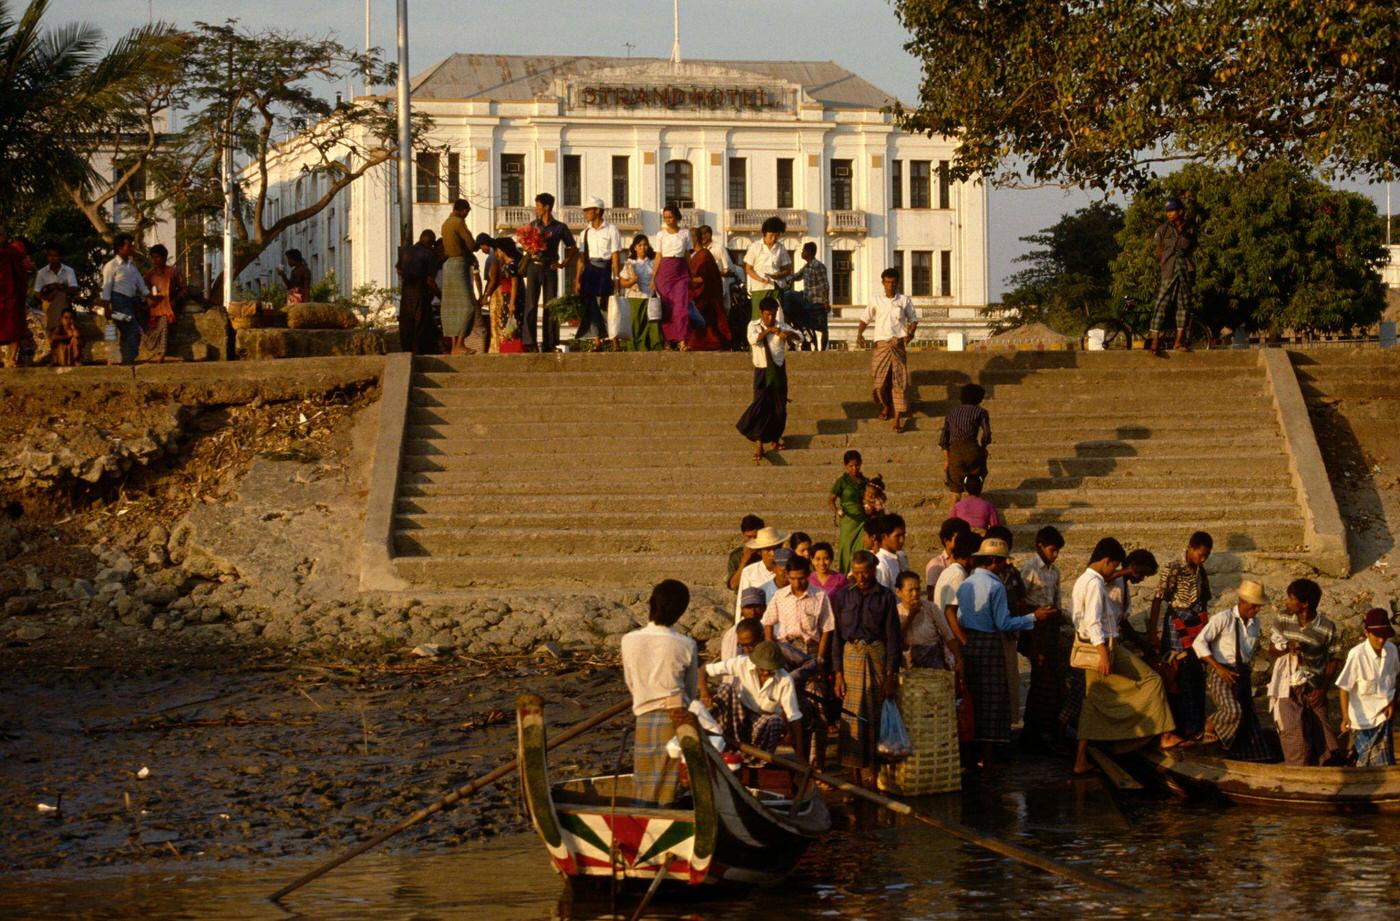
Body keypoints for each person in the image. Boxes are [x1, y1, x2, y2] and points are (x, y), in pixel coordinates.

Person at [1070, 538, 1182, 774]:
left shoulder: (1087, 580)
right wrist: (1103, 653)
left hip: (1098, 645)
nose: (1115, 571)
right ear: (1106, 561)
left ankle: (1083, 758)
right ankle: (1164, 735)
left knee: (1095, 699)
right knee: (1151, 680)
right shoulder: (1094, 583)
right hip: (1102, 646)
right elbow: (1092, 621)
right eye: (1114, 566)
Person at [956, 537, 1052, 768]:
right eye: (1002, 562)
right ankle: (987, 756)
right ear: (994, 561)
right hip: (989, 642)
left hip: (969, 642)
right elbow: (1003, 623)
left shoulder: (967, 583)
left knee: (974, 697)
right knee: (992, 700)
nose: (1005, 566)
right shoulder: (995, 586)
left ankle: (972, 753)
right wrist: (1033, 617)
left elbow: (959, 616)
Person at [621, 579, 700, 806]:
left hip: (644, 716)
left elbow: (631, 682)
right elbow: (691, 690)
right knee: (669, 780)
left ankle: (645, 819)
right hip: (675, 718)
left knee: (644, 780)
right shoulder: (685, 644)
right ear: (681, 611)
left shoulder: (629, 640)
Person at [832, 550, 901, 787]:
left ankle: (874, 773)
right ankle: (854, 776)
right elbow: (837, 638)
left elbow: (894, 638)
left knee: (875, 712)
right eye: (857, 573)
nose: (861, 578)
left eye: (866, 573)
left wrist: (891, 674)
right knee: (852, 714)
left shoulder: (886, 597)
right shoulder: (842, 597)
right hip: (851, 655)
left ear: (874, 570)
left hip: (877, 656)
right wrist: (838, 674)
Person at [762, 553, 833, 763]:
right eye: (792, 578)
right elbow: (768, 622)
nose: (797, 582)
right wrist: (771, 653)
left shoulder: (820, 596)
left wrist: (819, 659)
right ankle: (794, 761)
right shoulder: (780, 596)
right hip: (785, 652)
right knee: (787, 706)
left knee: (818, 707)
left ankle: (817, 763)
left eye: (801, 578)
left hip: (811, 653)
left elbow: (827, 629)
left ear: (808, 575)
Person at [1192, 580, 1271, 761]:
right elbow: (1199, 643)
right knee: (1232, 710)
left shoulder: (1255, 623)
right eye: (1255, 605)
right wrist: (1218, 669)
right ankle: (1209, 728)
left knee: (1248, 718)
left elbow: (1248, 652)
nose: (1257, 610)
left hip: (1241, 673)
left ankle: (1240, 754)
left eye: (1259, 606)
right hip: (1220, 671)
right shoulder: (1223, 618)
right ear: (1242, 601)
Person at [1148, 531, 1214, 741]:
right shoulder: (1173, 567)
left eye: (1206, 556)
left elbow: (1204, 600)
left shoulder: (1200, 570)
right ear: (1191, 548)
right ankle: (1177, 727)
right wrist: (1153, 632)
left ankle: (1195, 725)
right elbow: (1159, 599)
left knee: (1195, 672)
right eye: (1200, 554)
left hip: (1197, 625)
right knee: (1176, 673)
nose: (1202, 559)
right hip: (1176, 625)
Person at [1267, 579, 1342, 766]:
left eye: (1291, 599)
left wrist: (1323, 690)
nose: (1287, 602)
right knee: (1295, 736)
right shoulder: (1283, 619)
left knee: (1327, 738)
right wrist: (1286, 647)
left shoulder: (1326, 627)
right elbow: (1271, 648)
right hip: (1288, 687)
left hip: (1314, 688)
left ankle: (1321, 772)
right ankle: (1297, 773)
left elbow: (1334, 658)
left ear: (1305, 604)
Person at [700, 640, 805, 758]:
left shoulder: (785, 680)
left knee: (775, 721)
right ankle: (723, 742)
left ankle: (758, 758)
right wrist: (705, 693)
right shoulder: (742, 663)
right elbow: (704, 671)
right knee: (726, 688)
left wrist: (800, 756)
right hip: (738, 717)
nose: (765, 673)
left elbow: (794, 717)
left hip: (761, 725)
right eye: (762, 669)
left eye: (770, 670)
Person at [1019, 525, 1066, 749]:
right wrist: (1036, 612)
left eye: (1057, 551)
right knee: (1039, 677)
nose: (1054, 555)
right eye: (1052, 550)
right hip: (1034, 627)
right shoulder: (1030, 568)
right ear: (1040, 546)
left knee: (1051, 679)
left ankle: (1046, 728)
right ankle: (1031, 731)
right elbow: (1019, 600)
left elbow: (1057, 600)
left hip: (1050, 627)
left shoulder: (1054, 571)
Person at [736, 295, 798, 463]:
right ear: (761, 313)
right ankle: (758, 444)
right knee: (760, 407)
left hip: (778, 372)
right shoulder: (753, 325)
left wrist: (788, 334)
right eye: (767, 314)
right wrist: (768, 331)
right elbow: (753, 340)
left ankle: (775, 439)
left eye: (773, 314)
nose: (770, 318)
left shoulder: (781, 326)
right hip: (761, 371)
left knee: (780, 410)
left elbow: (799, 337)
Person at [856, 268, 919, 432]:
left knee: (899, 383)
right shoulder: (876, 300)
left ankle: (897, 420)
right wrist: (859, 334)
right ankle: (886, 405)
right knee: (879, 383)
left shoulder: (904, 300)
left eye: (893, 282)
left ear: (897, 283)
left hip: (897, 344)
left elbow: (913, 320)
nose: (890, 285)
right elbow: (865, 319)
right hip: (881, 345)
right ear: (883, 283)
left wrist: (910, 333)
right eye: (887, 282)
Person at [1336, 609, 1399, 767]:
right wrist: (1345, 717)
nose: (1381, 640)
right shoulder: (1356, 655)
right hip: (1362, 722)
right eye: (1377, 636)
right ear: (1367, 632)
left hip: (1384, 717)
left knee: (1383, 765)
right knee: (1367, 766)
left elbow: (1396, 679)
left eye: (1384, 636)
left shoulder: (1392, 651)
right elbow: (1344, 688)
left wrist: (1393, 703)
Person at [523, 192, 577, 352]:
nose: (536, 209)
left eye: (538, 206)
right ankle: (529, 342)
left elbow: (572, 246)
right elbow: (525, 245)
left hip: (550, 268)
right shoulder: (533, 225)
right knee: (531, 305)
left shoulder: (560, 227)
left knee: (551, 305)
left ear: (547, 207)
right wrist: (528, 247)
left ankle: (550, 343)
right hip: (534, 266)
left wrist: (563, 264)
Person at [1148, 196, 1198, 355]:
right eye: (1167, 211)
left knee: (1183, 306)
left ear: (1180, 211)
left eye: (1172, 210)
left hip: (1184, 270)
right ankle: (1155, 339)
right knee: (1161, 303)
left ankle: (1178, 341)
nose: (1169, 214)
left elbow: (1192, 248)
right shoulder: (1162, 230)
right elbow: (1158, 250)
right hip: (1168, 269)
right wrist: (1165, 260)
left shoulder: (1190, 229)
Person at [571, 196, 621, 344]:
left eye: (588, 210)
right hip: (590, 270)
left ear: (597, 211)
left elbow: (615, 256)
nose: (585, 214)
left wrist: (617, 278)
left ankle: (614, 339)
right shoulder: (585, 233)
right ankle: (597, 338)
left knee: (607, 304)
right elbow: (581, 258)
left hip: (605, 270)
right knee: (590, 305)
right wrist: (577, 280)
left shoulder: (611, 230)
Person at [99, 234, 150, 366]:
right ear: (120, 248)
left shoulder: (131, 266)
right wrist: (107, 308)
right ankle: (128, 359)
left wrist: (151, 297)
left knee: (128, 330)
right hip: (118, 302)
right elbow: (107, 287)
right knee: (132, 328)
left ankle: (126, 358)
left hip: (131, 302)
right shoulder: (111, 266)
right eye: (129, 246)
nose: (132, 248)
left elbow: (141, 285)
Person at [439, 198, 481, 354]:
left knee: (452, 308)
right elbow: (470, 244)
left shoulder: (446, 223)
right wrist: (475, 248)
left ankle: (455, 346)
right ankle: (460, 344)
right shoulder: (458, 222)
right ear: (464, 210)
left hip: (449, 265)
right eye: (467, 212)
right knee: (468, 306)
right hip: (459, 265)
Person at [940, 383, 991, 506]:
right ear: (979, 398)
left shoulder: (951, 413)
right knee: (975, 484)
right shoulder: (981, 412)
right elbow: (987, 434)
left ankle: (952, 520)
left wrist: (947, 459)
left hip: (955, 452)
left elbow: (943, 438)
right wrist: (983, 447)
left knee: (956, 493)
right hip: (973, 449)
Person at [650, 203, 692, 348]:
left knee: (681, 306)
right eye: (665, 217)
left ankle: (682, 341)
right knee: (667, 308)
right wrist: (653, 278)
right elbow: (658, 257)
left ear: (676, 217)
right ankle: (668, 340)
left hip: (680, 271)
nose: (668, 220)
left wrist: (691, 273)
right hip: (665, 272)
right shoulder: (660, 234)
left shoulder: (685, 233)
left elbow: (687, 255)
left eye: (670, 217)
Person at [898, 571, 958, 671]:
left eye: (917, 589)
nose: (915, 594)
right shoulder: (896, 612)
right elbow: (896, 639)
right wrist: (911, 616)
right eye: (910, 590)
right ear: (899, 592)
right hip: (909, 665)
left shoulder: (930, 608)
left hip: (933, 663)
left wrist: (959, 660)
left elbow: (948, 636)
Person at [686, 226, 731, 351]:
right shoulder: (694, 255)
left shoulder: (704, 255)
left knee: (704, 319)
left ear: (694, 239)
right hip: (696, 293)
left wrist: (688, 281)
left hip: (705, 294)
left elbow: (705, 279)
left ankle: (711, 343)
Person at [396, 230, 440, 355]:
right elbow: (430, 280)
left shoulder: (405, 251)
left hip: (406, 291)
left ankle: (406, 350)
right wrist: (440, 295)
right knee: (420, 324)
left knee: (406, 322)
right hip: (421, 292)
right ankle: (418, 352)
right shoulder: (429, 254)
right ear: (431, 243)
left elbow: (398, 270)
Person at [933, 530, 979, 649]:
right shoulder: (958, 575)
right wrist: (965, 642)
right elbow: (950, 612)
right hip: (952, 642)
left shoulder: (951, 571)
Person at [618, 234, 663, 352]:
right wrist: (632, 281)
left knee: (652, 324)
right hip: (635, 298)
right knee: (635, 325)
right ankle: (634, 350)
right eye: (640, 245)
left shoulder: (653, 262)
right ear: (635, 247)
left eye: (645, 245)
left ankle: (653, 348)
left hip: (651, 297)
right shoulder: (630, 263)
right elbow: (622, 282)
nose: (643, 248)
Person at [480, 236, 524, 354]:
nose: (496, 253)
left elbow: (514, 284)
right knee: (506, 325)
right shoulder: (506, 265)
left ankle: (512, 349)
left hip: (510, 297)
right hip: (506, 297)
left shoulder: (511, 265)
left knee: (511, 325)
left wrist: (512, 303)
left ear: (502, 250)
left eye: (498, 250)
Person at [743, 216, 792, 322]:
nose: (774, 238)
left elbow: (788, 269)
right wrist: (760, 279)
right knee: (758, 318)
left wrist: (779, 275)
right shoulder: (755, 247)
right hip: (759, 288)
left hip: (776, 287)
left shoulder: (780, 248)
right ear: (765, 233)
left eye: (776, 235)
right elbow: (748, 269)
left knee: (778, 317)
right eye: (771, 235)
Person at [733, 526, 785, 621]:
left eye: (775, 549)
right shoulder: (749, 572)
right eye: (768, 549)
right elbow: (742, 603)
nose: (772, 553)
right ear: (760, 552)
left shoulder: (787, 571)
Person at [828, 450, 868, 574]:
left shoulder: (865, 481)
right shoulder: (842, 481)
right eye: (851, 466)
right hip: (848, 519)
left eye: (857, 465)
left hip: (862, 519)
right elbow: (831, 500)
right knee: (845, 547)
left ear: (861, 464)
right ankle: (844, 574)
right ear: (846, 466)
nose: (854, 468)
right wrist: (837, 511)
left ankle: (859, 573)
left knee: (861, 547)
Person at [142, 243, 183, 363]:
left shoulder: (172, 272)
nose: (155, 260)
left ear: (164, 257)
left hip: (168, 308)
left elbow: (183, 289)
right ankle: (155, 351)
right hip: (154, 309)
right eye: (153, 257)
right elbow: (143, 291)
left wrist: (176, 300)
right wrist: (148, 299)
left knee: (164, 324)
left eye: (157, 257)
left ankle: (162, 352)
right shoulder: (149, 274)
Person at [787, 242, 830, 350]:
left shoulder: (818, 266)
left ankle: (823, 351)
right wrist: (784, 277)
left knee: (822, 328)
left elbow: (824, 285)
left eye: (803, 250)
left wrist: (826, 302)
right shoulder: (806, 267)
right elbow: (796, 276)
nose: (802, 252)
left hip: (817, 302)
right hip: (807, 300)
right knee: (789, 295)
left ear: (809, 252)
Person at [34, 244, 79, 335]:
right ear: (47, 257)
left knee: (61, 295)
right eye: (50, 256)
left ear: (60, 257)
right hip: (48, 302)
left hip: (65, 302)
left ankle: (56, 328)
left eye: (55, 256)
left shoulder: (69, 271)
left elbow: (74, 289)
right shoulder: (41, 273)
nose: (52, 258)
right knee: (59, 296)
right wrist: (49, 295)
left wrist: (60, 288)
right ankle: (63, 328)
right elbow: (37, 293)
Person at [925, 517, 973, 600]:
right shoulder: (936, 564)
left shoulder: (968, 561)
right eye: (959, 538)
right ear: (946, 540)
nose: (962, 541)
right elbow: (932, 597)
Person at [726, 515, 767, 589]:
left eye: (755, 537)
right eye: (748, 537)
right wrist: (744, 560)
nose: (752, 540)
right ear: (743, 535)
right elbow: (733, 585)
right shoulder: (736, 556)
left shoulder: (770, 552)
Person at [875, 513, 907, 591]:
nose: (902, 540)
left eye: (903, 535)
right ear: (884, 537)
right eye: (897, 536)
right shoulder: (881, 563)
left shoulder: (900, 557)